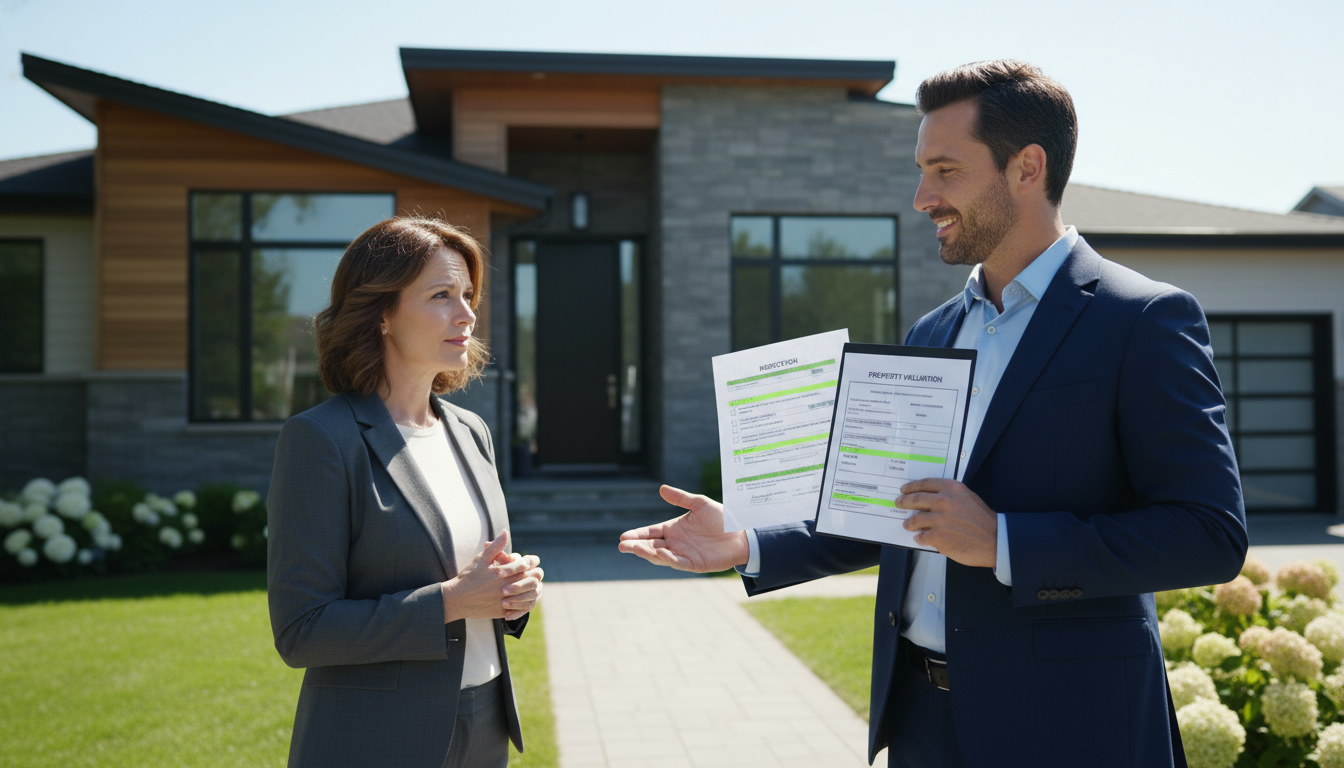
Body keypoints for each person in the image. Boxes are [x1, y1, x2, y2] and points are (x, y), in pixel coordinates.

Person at [619, 60, 1247, 767]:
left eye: (945, 170)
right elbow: (891, 511)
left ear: (1027, 168)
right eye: (922, 170)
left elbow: (1210, 534)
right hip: (919, 719)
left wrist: (1003, 541)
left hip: (1070, 723)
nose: (922, 197)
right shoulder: (930, 332)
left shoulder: (1145, 320)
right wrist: (748, 542)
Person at [267, 217, 544, 768]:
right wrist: (450, 602)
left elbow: (475, 578)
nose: (467, 314)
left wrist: (512, 595)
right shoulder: (322, 439)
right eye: (442, 295)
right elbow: (302, 630)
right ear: (382, 314)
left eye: (468, 295)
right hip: (377, 740)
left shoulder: (470, 431)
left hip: (486, 721)